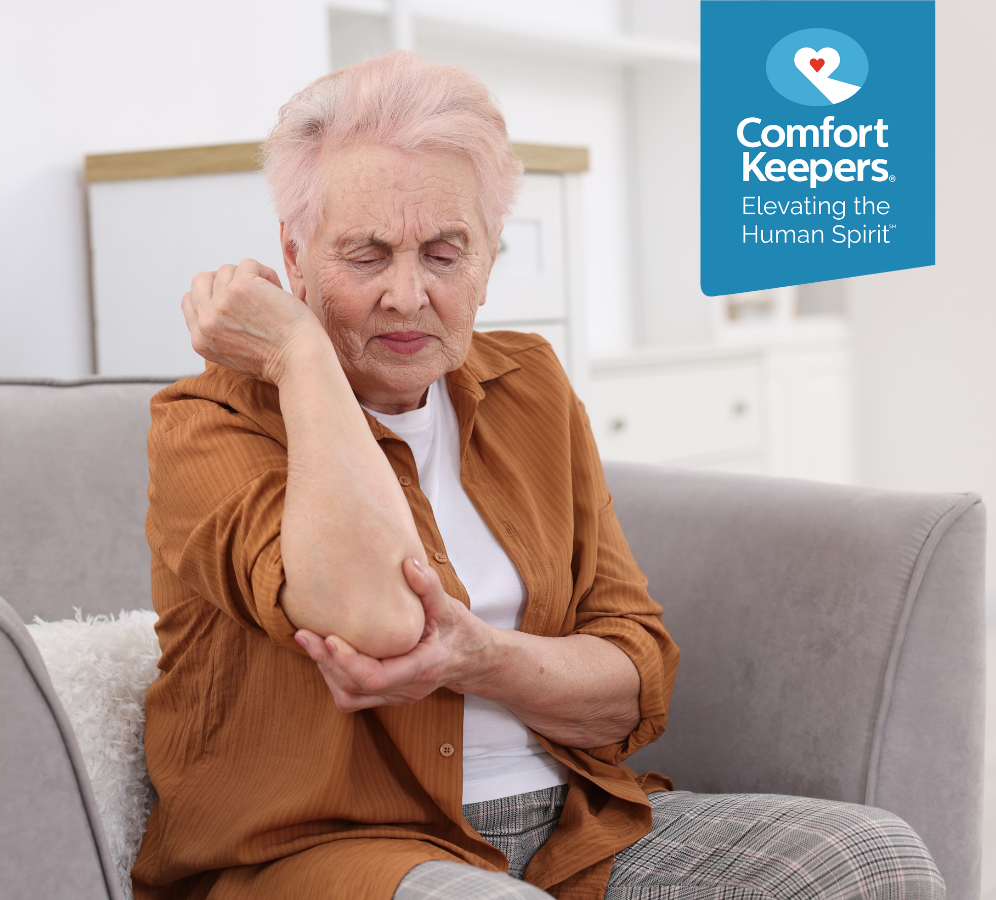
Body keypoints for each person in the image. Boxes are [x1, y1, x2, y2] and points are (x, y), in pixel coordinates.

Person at [131, 51, 945, 900]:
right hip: (329, 852)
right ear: (293, 262)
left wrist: (476, 657)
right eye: (365, 256)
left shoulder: (530, 385)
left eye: (445, 254)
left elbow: (633, 680)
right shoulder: (208, 421)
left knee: (873, 861)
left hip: (574, 831)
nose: (408, 295)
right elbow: (369, 621)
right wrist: (302, 358)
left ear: (489, 259)